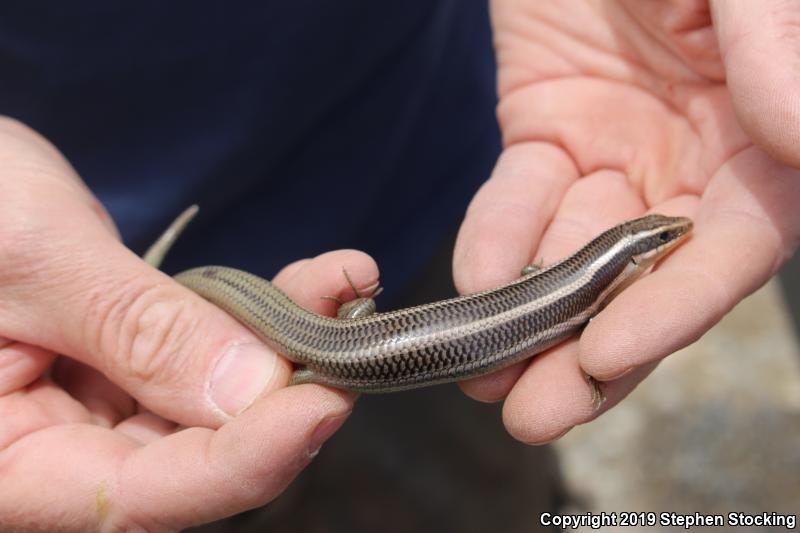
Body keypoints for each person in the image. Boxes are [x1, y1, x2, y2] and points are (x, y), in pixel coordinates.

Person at [1, 1, 798, 531]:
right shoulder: (583, 297)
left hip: (406, 153)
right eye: (655, 241)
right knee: (229, 466)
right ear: (629, 259)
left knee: (460, 486)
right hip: (75, 273)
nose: (663, 243)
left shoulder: (584, 282)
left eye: (652, 238)